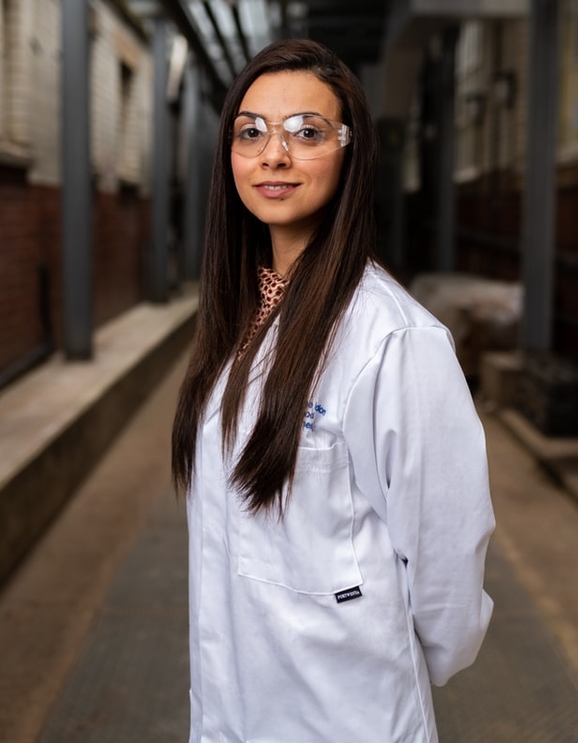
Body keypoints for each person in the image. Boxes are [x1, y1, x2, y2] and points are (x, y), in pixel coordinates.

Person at [172, 38, 494, 743]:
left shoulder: (394, 340)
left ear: (352, 153)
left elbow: (446, 567)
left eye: (306, 133)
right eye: (250, 132)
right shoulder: (237, 322)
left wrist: (385, 655)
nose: (273, 155)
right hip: (234, 706)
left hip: (349, 711)